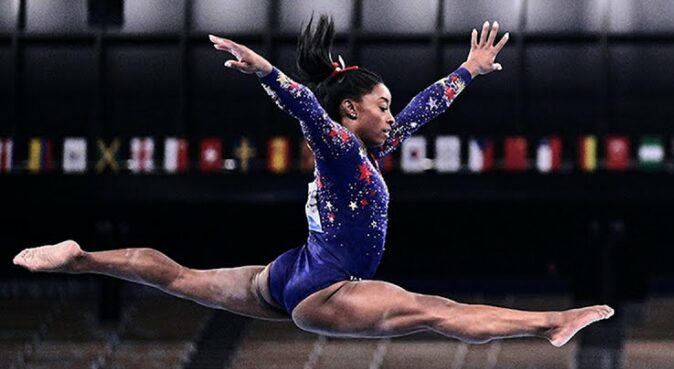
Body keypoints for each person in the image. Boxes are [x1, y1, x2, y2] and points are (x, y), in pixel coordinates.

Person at [13, 15, 612, 347]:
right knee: (434, 310)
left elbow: (422, 110)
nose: (392, 116)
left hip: (289, 273)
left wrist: (468, 71)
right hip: (324, 289)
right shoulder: (342, 149)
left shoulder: (368, 151)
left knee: (178, 276)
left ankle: (80, 259)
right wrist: (266, 71)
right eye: (382, 106)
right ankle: (549, 323)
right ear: (350, 112)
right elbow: (304, 106)